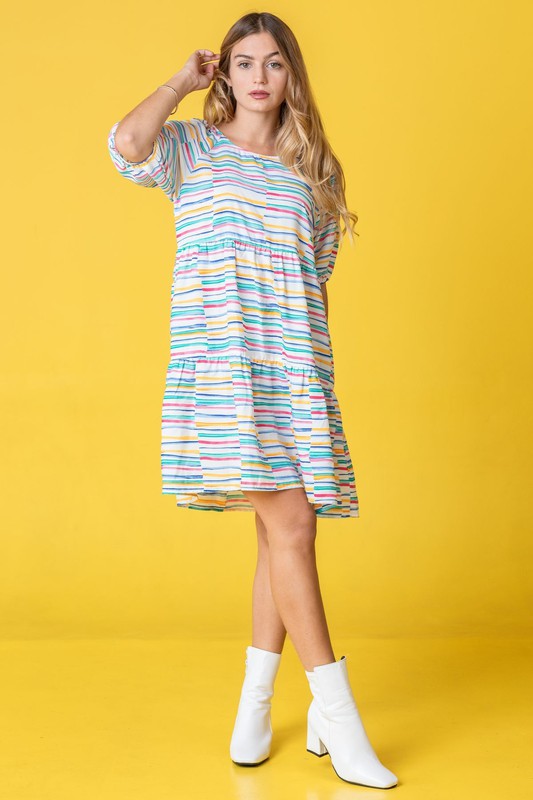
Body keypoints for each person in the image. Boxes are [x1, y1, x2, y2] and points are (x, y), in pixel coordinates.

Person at [107, 11, 398, 790]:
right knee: (293, 523)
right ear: (224, 74)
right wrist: (180, 80)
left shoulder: (316, 169)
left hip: (294, 369)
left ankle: (255, 708)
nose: (258, 76)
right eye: (242, 63)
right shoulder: (191, 150)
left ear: (290, 74)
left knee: (280, 536)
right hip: (223, 369)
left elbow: (314, 281)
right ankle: (337, 718)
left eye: (272, 63)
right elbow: (127, 145)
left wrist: (317, 384)